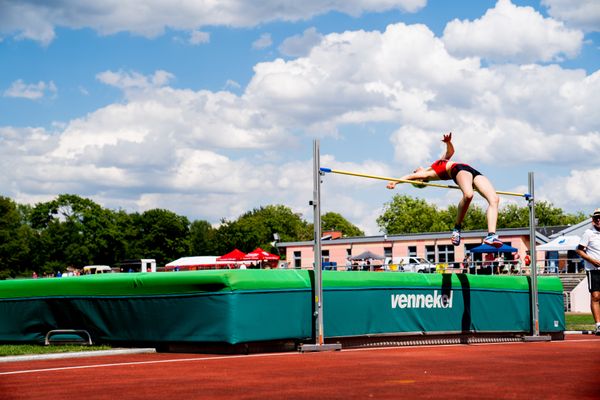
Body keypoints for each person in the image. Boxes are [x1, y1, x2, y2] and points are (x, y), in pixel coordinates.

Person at [387, 132, 501, 248]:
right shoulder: (428, 174)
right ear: (420, 179)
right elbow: (409, 177)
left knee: (495, 199)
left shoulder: (435, 165)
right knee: (468, 195)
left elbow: (450, 152)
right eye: (415, 173)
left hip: (471, 170)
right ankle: (457, 228)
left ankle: (491, 235)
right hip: (459, 170)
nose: (414, 171)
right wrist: (395, 182)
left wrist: (448, 142)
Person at [575, 208, 600, 336]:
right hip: (594, 269)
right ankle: (598, 325)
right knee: (596, 296)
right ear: (593, 220)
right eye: (596, 218)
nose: (599, 220)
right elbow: (579, 250)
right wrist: (592, 260)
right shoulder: (588, 233)